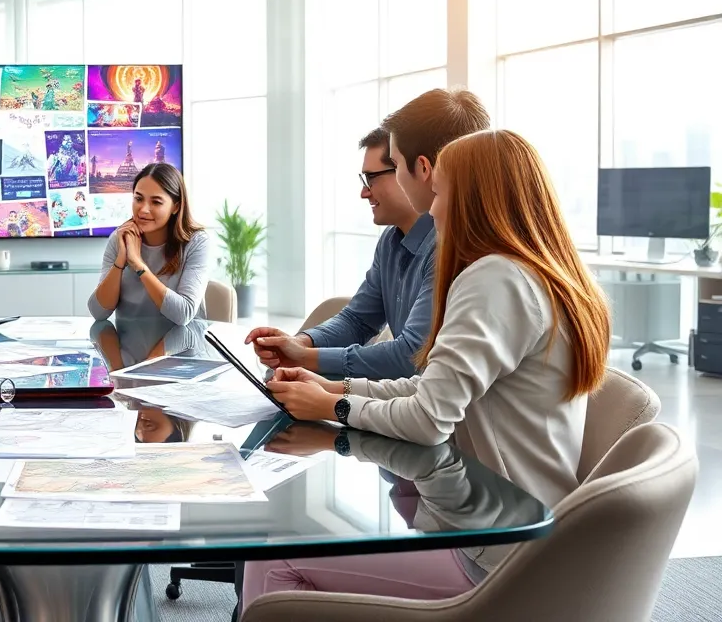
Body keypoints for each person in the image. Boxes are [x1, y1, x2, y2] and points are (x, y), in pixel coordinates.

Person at [243, 129, 611, 607]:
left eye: (439, 194)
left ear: (477, 202)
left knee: (272, 555)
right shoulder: (539, 274)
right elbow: (428, 389)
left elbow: (428, 420)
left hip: (494, 550)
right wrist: (334, 385)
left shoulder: (494, 280)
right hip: (512, 527)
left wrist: (335, 404)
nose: (432, 210)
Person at [246, 90, 490, 379]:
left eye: (375, 176)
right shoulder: (391, 240)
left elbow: (411, 356)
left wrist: (308, 359)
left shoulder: (455, 249)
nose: (364, 191)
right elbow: (359, 320)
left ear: (422, 167)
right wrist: (300, 344)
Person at [88, 162, 212, 325]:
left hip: (182, 345)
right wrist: (121, 261)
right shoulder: (120, 237)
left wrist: (138, 265)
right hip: (129, 343)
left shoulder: (197, 242)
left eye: (156, 202)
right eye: (138, 199)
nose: (144, 210)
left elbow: (183, 314)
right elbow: (98, 312)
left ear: (176, 206)